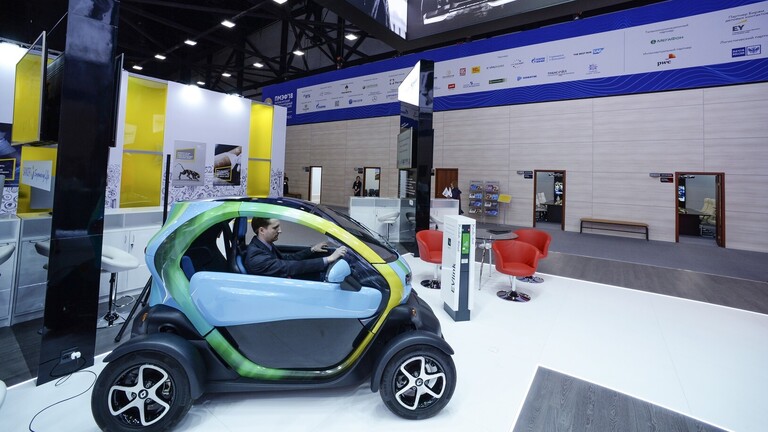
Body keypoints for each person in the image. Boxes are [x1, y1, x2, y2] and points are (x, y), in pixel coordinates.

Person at [245, 217, 347, 279]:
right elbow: (289, 267)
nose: (280, 231)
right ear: (262, 230)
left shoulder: (265, 244)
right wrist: (328, 259)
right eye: (275, 228)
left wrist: (312, 250)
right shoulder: (256, 256)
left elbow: (286, 259)